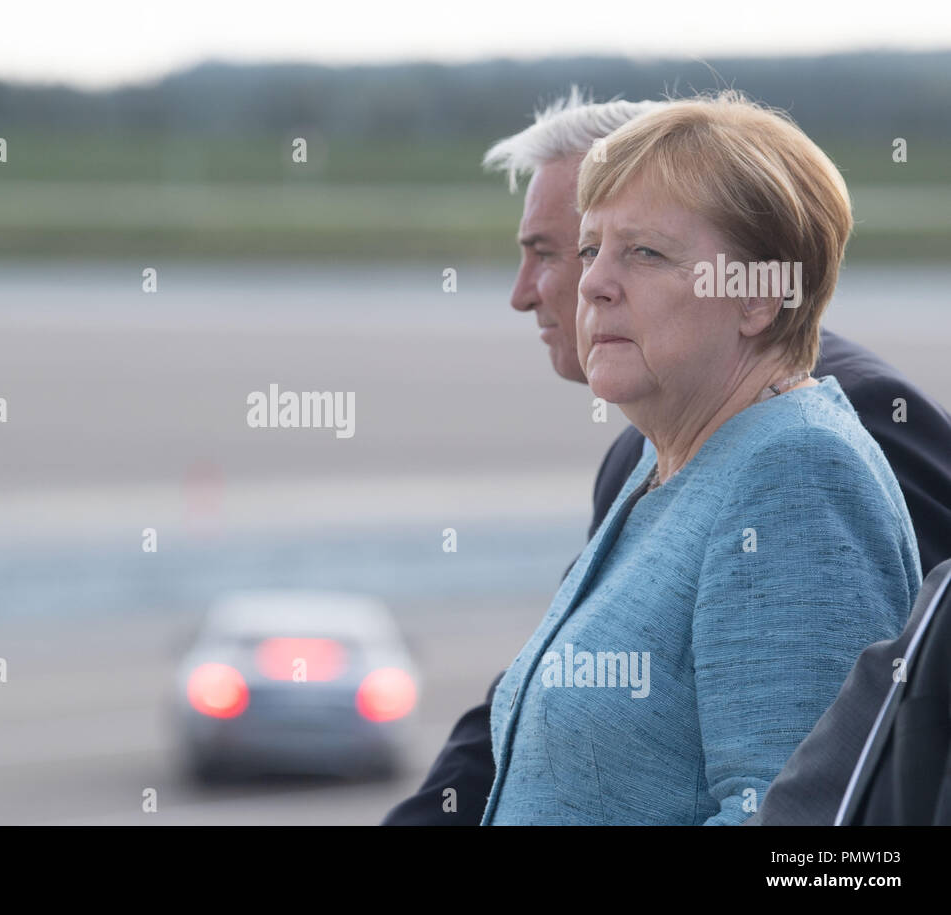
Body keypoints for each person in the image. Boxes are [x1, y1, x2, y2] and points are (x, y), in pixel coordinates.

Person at [382, 89, 951, 825]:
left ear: (758, 296)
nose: (592, 282)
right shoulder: (669, 458)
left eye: (644, 252)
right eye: (591, 249)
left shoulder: (797, 472)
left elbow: (787, 834)